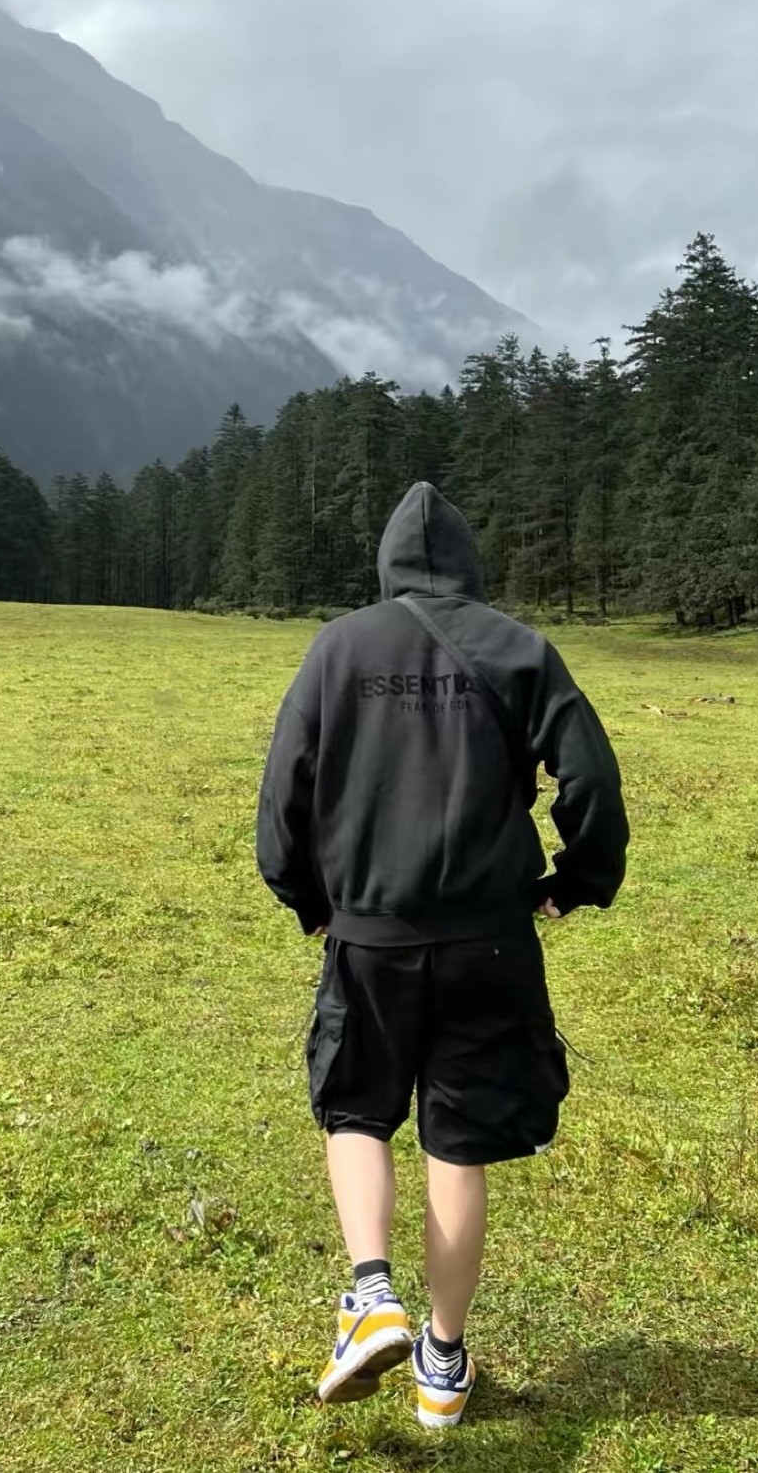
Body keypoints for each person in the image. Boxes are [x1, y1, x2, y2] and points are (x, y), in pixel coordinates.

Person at [256, 482, 629, 1428]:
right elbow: (589, 776)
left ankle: (371, 1294)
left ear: (387, 566)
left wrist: (308, 899)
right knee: (457, 1147)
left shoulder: (339, 648)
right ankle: (443, 1362)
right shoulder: (520, 648)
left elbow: (284, 793)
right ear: (468, 565)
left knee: (356, 1109)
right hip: (491, 940)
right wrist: (577, 879)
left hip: (370, 936)